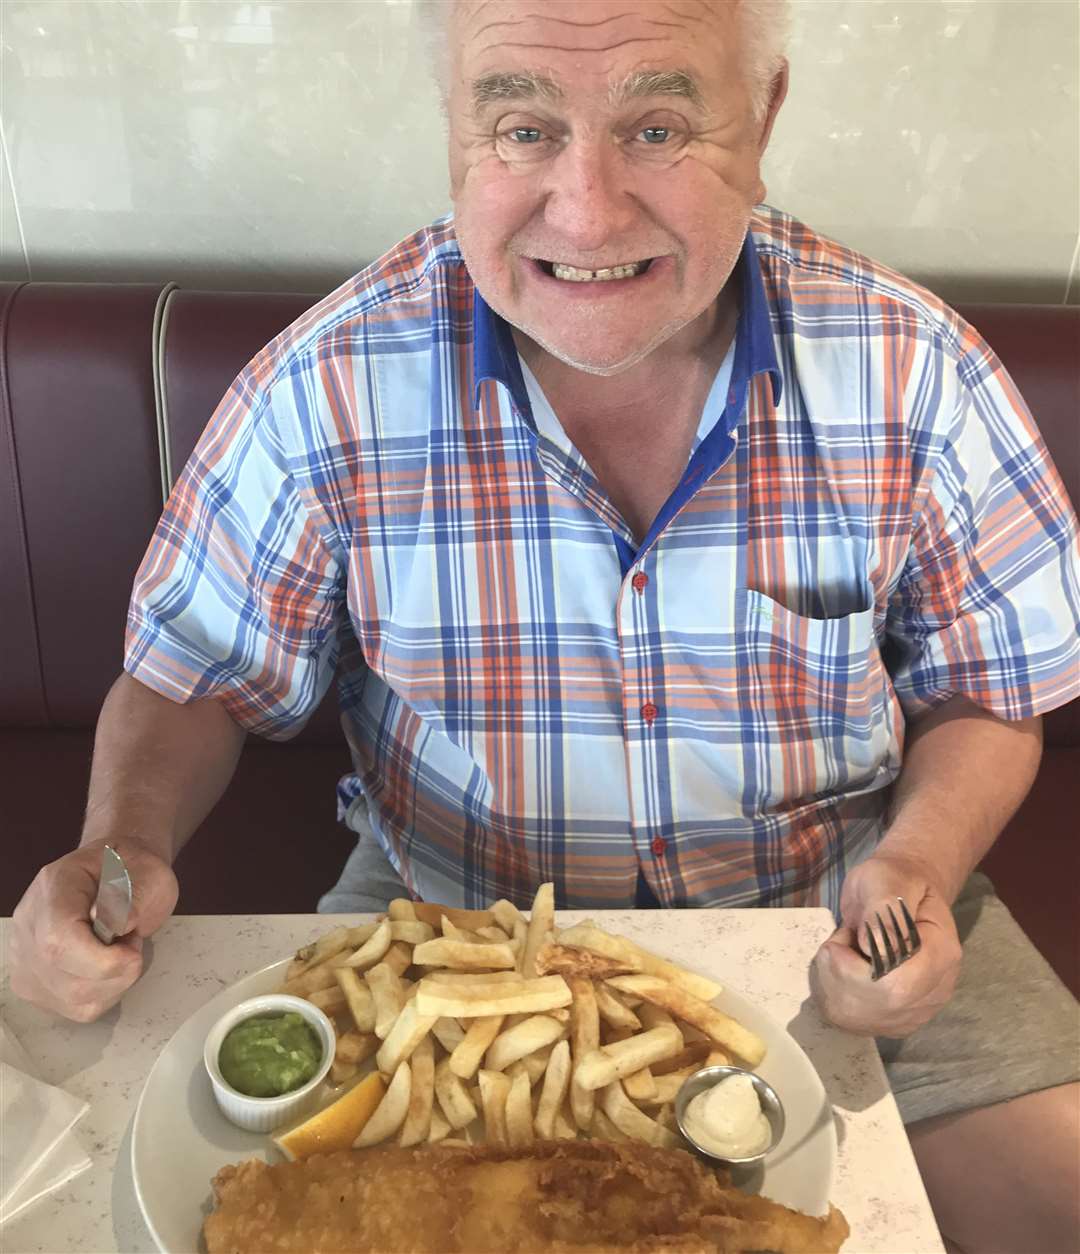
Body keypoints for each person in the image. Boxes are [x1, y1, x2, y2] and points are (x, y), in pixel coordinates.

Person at [10, 1, 1079, 1248]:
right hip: (438, 936)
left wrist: (921, 867)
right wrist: (118, 847)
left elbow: (990, 689)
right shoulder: (330, 378)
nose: (586, 211)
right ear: (456, 131)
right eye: (523, 127)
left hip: (846, 899)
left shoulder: (917, 370)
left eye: (660, 125)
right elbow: (197, 675)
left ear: (765, 113)